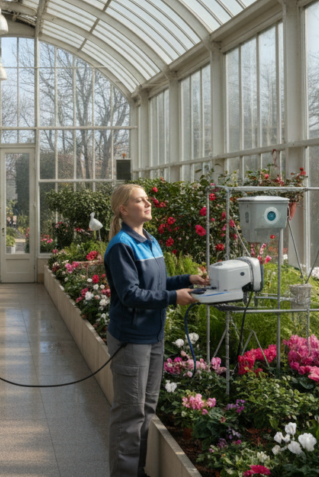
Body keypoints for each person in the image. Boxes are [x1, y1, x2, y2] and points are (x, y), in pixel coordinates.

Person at [103, 184, 209, 477]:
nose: (149, 204)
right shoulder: (121, 245)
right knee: (130, 413)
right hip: (131, 339)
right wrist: (175, 297)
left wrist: (188, 279)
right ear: (124, 209)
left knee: (147, 408)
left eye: (148, 199)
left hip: (153, 336)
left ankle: (136, 470)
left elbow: (155, 284)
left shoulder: (149, 240)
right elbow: (131, 295)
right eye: (141, 200)